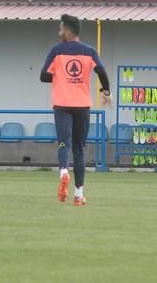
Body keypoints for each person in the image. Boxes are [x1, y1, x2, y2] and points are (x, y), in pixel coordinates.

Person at [40, 14, 112, 206]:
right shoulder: (89, 51)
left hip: (62, 104)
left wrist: (60, 78)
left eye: (60, 29)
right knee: (80, 149)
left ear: (68, 31)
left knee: (64, 143)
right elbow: (102, 72)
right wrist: (106, 92)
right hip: (82, 105)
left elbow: (43, 76)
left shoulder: (56, 51)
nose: (59, 32)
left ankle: (64, 170)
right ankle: (79, 195)